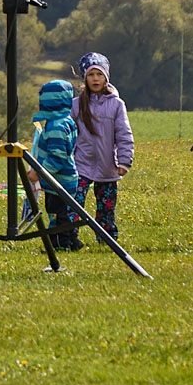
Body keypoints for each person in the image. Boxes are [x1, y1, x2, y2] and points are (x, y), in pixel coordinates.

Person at [70, 51, 134, 245]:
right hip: (80, 165)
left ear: (106, 77)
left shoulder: (116, 105)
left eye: (99, 74)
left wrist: (124, 161)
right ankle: (69, 237)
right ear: (85, 78)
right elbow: (69, 134)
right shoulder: (76, 105)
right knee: (73, 202)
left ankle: (107, 240)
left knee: (106, 207)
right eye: (91, 74)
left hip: (107, 166)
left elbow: (124, 134)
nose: (95, 79)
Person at [25, 79, 81, 251]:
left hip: (58, 180)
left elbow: (57, 157)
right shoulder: (65, 120)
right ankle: (72, 241)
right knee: (64, 213)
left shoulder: (56, 126)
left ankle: (60, 245)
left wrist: (39, 172)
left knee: (57, 215)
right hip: (65, 178)